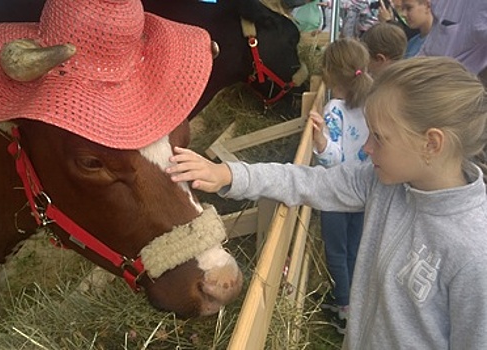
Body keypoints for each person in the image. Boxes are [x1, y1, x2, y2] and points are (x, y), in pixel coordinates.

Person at [167, 56, 487, 349]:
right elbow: (308, 181)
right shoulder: (385, 184)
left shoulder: (474, 253)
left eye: (380, 137)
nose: (367, 146)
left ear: (431, 144)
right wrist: (228, 175)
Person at [308, 37, 373, 334]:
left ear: (330, 74)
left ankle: (344, 309)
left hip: (336, 194)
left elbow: (333, 159)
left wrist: (320, 140)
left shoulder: (335, 109)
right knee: (354, 249)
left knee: (335, 251)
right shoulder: (372, 106)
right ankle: (355, 302)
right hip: (362, 194)